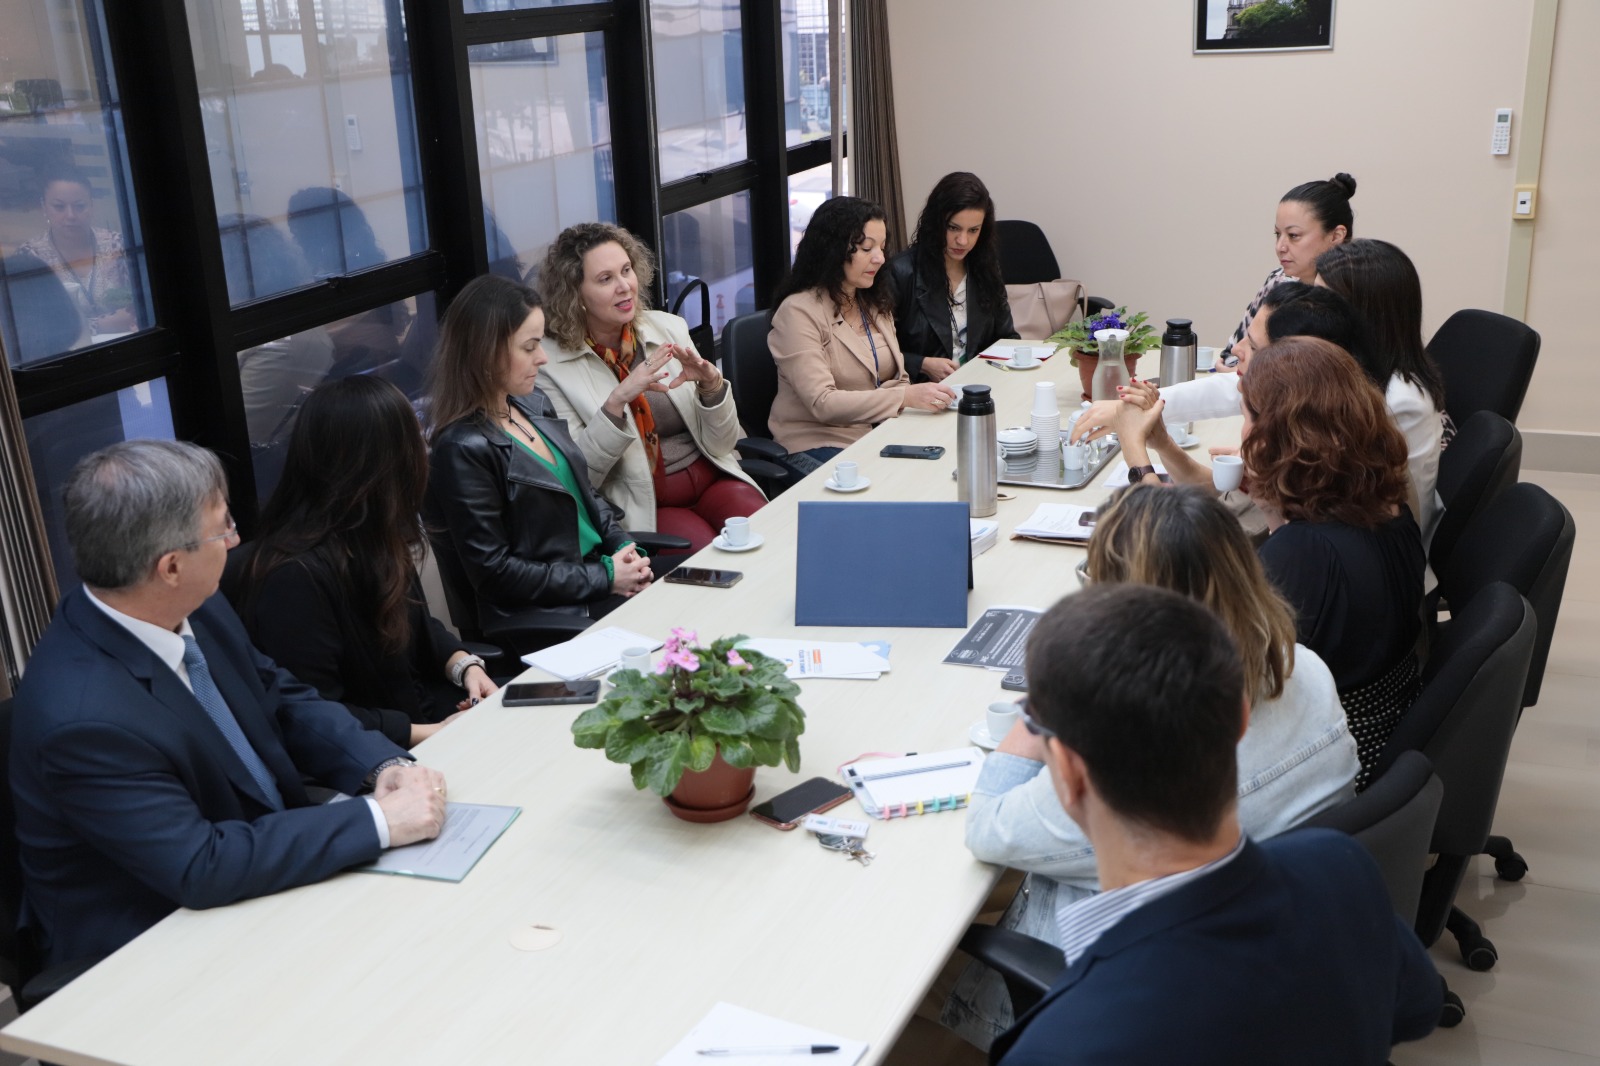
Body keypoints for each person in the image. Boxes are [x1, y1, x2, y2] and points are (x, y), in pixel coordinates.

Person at [9, 440, 448, 972]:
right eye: (223, 529)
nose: (236, 540)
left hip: (262, 867)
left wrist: (381, 766)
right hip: (153, 948)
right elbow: (199, 863)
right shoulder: (82, 719)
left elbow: (279, 697)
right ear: (171, 566)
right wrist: (378, 820)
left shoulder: (194, 604)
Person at [955, 484, 1359, 1046]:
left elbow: (987, 828)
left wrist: (1045, 704)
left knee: (906, 974)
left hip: (1111, 997)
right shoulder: (1307, 670)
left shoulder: (1118, 775)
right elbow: (1413, 1004)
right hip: (1262, 962)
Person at [987, 584, 1441, 1066]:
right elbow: (1419, 1008)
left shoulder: (1059, 1046)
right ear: (1239, 720)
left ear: (1069, 771)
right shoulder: (1342, 867)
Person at [225, 376, 496, 749]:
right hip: (384, 753)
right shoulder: (292, 578)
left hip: (430, 717)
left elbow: (417, 624)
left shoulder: (373, 533)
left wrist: (465, 665)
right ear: (383, 463)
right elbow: (314, 714)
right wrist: (433, 732)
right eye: (413, 440)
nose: (424, 450)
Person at [1241, 338, 1425, 784]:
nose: (1242, 431)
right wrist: (1272, 507)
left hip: (1324, 768)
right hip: (1381, 740)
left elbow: (1237, 690)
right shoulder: (1391, 507)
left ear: (1273, 434)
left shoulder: (1305, 554)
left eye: (1246, 416)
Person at [424, 274, 652, 634]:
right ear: (486, 353)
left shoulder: (532, 404)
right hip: (556, 615)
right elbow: (495, 573)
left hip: (597, 579)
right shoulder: (461, 449)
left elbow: (588, 496)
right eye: (529, 347)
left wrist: (624, 548)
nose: (542, 358)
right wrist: (605, 576)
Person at [534, 222, 765, 552]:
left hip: (713, 476)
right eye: (605, 279)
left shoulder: (668, 328)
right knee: (708, 561)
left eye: (626, 270)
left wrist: (712, 388)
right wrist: (617, 402)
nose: (624, 286)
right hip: (649, 504)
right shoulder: (550, 368)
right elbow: (580, 477)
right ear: (575, 295)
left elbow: (723, 444)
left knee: (771, 533)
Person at [768, 196, 955, 469]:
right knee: (889, 486)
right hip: (817, 443)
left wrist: (916, 398)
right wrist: (904, 397)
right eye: (867, 248)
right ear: (834, 250)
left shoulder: (872, 299)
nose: (879, 258)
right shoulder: (798, 312)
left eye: (882, 247)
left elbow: (898, 378)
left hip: (878, 433)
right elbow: (823, 403)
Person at [1317, 238, 1450, 537]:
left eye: (1325, 304)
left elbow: (1344, 494)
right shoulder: (1365, 369)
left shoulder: (1400, 402)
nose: (1313, 313)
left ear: (1364, 315)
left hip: (1386, 541)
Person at [887, 172, 1017, 383]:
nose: (963, 240)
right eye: (953, 228)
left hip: (979, 386)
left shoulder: (985, 268)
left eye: (973, 230)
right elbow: (875, 354)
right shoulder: (901, 272)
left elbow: (1007, 338)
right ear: (936, 223)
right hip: (922, 391)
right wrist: (921, 364)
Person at [1218, 172, 1355, 366]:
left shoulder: (1359, 294)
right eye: (1277, 234)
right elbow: (1231, 356)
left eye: (1293, 235)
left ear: (1336, 236)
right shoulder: (1279, 281)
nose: (1280, 247)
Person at [18, 167, 138, 337]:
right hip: (67, 351)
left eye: (80, 206)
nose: (71, 215)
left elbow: (142, 304)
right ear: (44, 207)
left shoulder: (118, 244)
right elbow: (32, 325)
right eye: (59, 207)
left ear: (92, 205)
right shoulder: (30, 257)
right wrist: (98, 326)